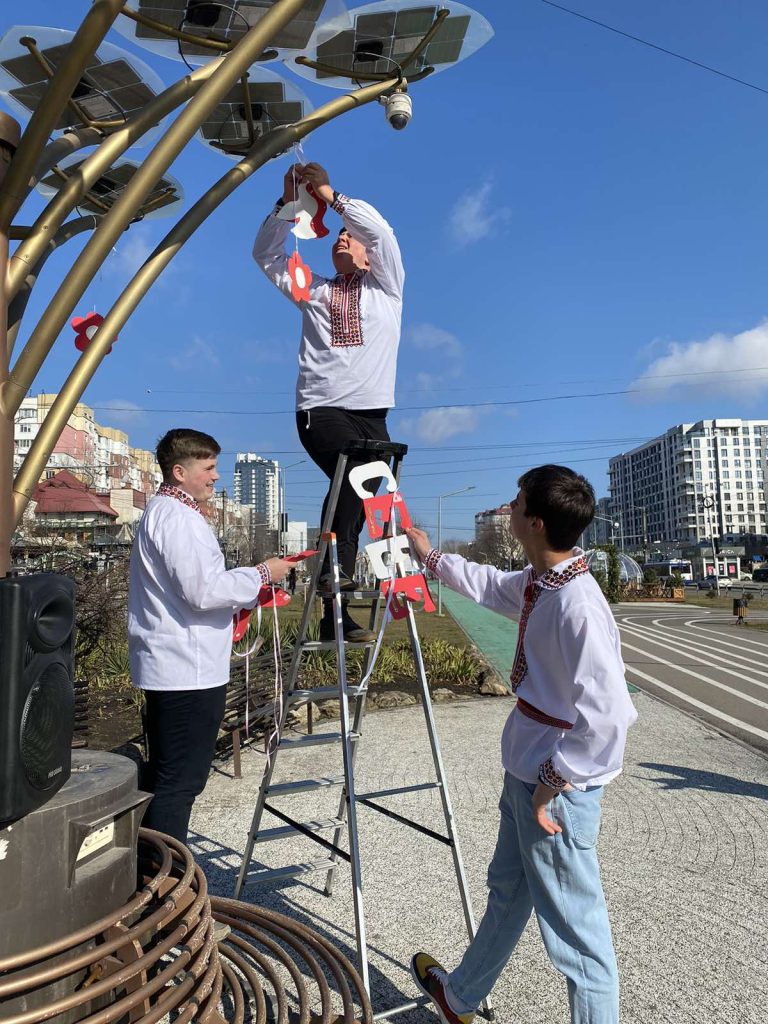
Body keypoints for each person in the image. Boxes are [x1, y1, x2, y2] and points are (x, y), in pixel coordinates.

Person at [406, 465, 638, 1024]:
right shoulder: (544, 581)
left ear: (535, 522)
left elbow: (609, 717)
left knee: (579, 942)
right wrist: (430, 557)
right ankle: (459, 998)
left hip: (553, 789)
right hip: (527, 770)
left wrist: (551, 786)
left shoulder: (577, 604)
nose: (507, 507)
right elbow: (490, 585)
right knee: (507, 891)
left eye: (516, 501)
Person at [253, 161, 404, 643]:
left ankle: (334, 613)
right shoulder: (314, 290)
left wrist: (331, 196)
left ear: (369, 255)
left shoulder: (387, 290)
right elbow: (266, 255)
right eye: (337, 233)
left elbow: (380, 233)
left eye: (349, 235)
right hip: (320, 410)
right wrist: (289, 203)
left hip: (372, 414)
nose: (342, 237)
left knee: (364, 499)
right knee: (352, 472)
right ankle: (331, 572)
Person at [128, 428, 293, 844]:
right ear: (179, 472)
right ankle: (165, 872)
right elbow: (202, 591)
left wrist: (247, 591)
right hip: (187, 670)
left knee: (171, 776)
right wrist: (262, 573)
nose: (216, 476)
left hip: (180, 664)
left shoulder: (170, 513)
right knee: (180, 781)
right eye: (209, 467)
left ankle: (157, 866)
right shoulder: (177, 518)